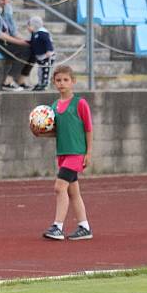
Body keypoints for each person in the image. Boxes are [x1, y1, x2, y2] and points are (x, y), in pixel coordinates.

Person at [40, 65, 94, 241]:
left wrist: (88, 152)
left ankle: (57, 226)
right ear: (54, 83)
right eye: (58, 80)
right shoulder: (54, 106)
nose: (62, 83)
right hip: (62, 153)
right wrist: (39, 132)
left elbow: (88, 129)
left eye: (65, 80)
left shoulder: (80, 103)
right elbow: (57, 131)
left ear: (73, 82)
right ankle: (84, 227)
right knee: (73, 192)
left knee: (59, 187)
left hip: (76, 153)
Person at [27, 16, 55, 92]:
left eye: (29, 26)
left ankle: (45, 83)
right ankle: (40, 83)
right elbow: (33, 43)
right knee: (40, 71)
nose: (28, 28)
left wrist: (49, 50)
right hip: (40, 57)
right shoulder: (34, 34)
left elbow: (48, 42)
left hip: (47, 56)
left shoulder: (42, 33)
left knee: (46, 70)